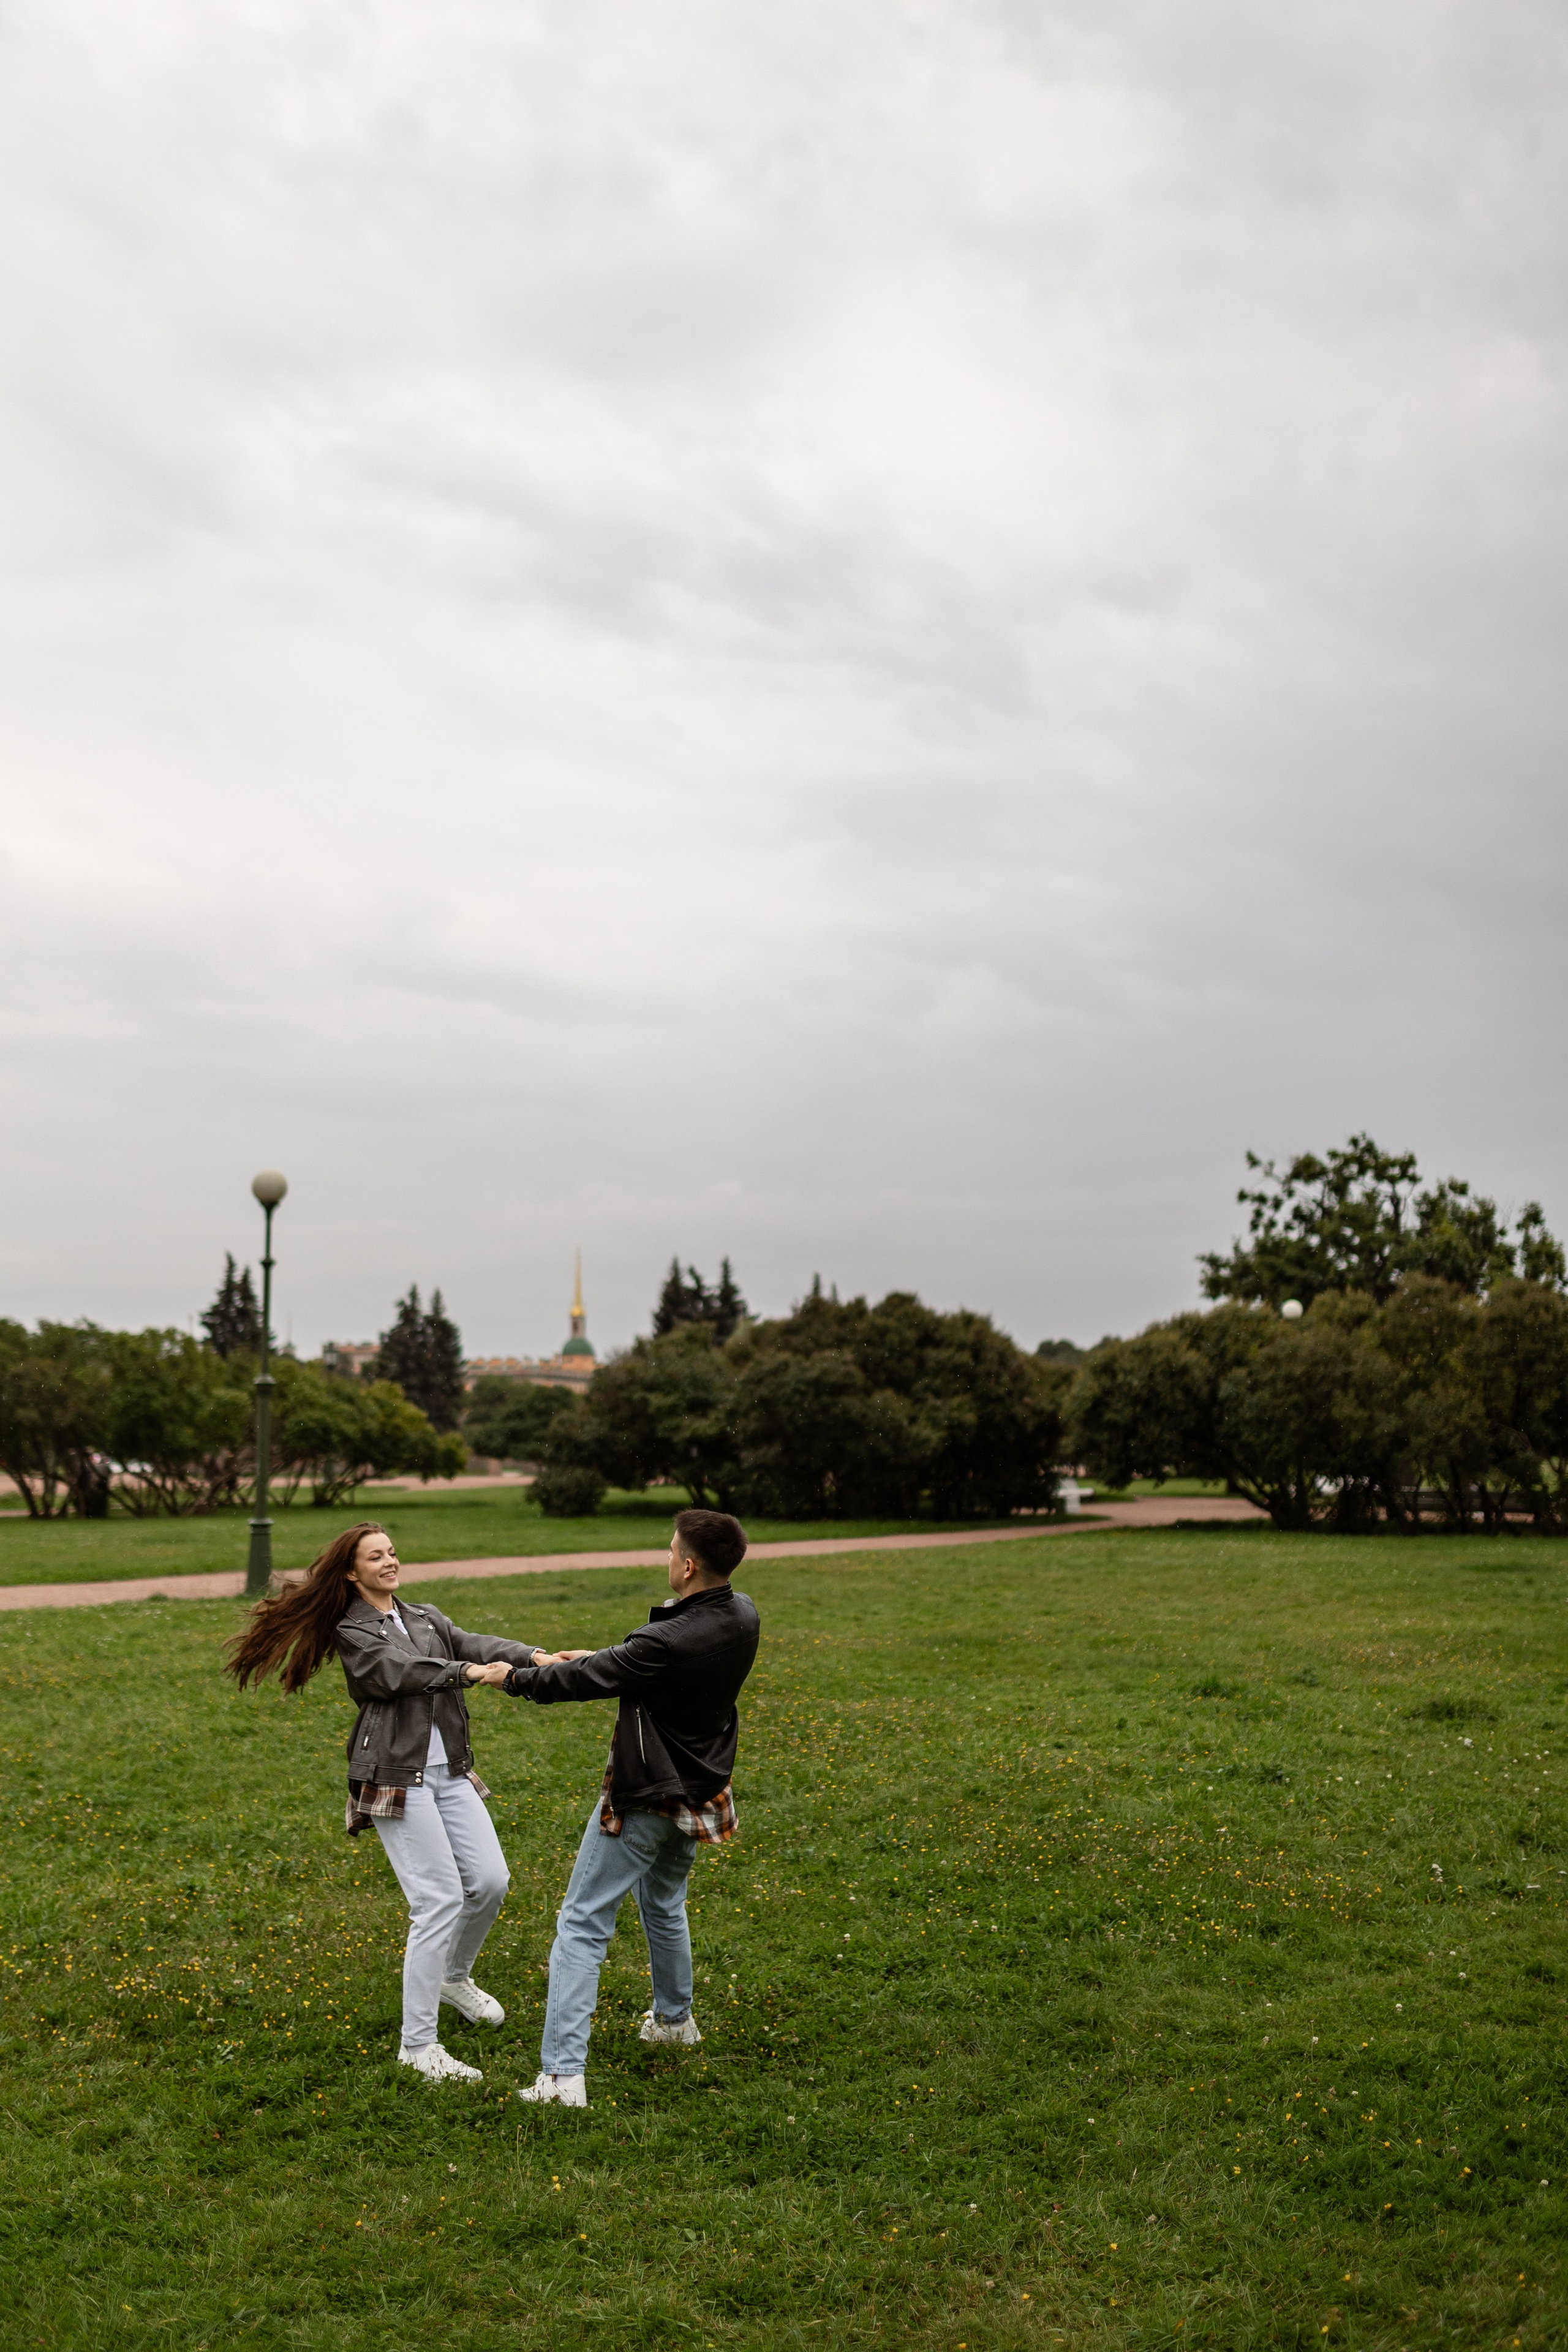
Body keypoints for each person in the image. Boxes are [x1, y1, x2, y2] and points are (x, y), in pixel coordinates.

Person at [224, 1520, 549, 2085]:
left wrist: (535, 1656)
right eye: (376, 1557)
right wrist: (470, 1673)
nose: (389, 1563)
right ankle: (418, 2047)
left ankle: (452, 1978)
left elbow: (471, 1642)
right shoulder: (353, 1629)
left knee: (491, 1881)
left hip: (450, 1769)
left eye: (392, 1553)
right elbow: (400, 1672)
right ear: (352, 1572)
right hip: (397, 1773)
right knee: (438, 1900)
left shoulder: (423, 1616)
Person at [501, 1507, 760, 2108]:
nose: (667, 1558)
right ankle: (674, 2023)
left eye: (671, 1551)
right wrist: (598, 1656)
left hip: (647, 1794)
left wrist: (508, 1678)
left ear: (689, 1565)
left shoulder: (665, 1640)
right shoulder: (740, 1613)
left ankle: (562, 2079)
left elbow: (602, 1676)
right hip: (701, 1790)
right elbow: (641, 1666)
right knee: (664, 1902)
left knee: (582, 1922)